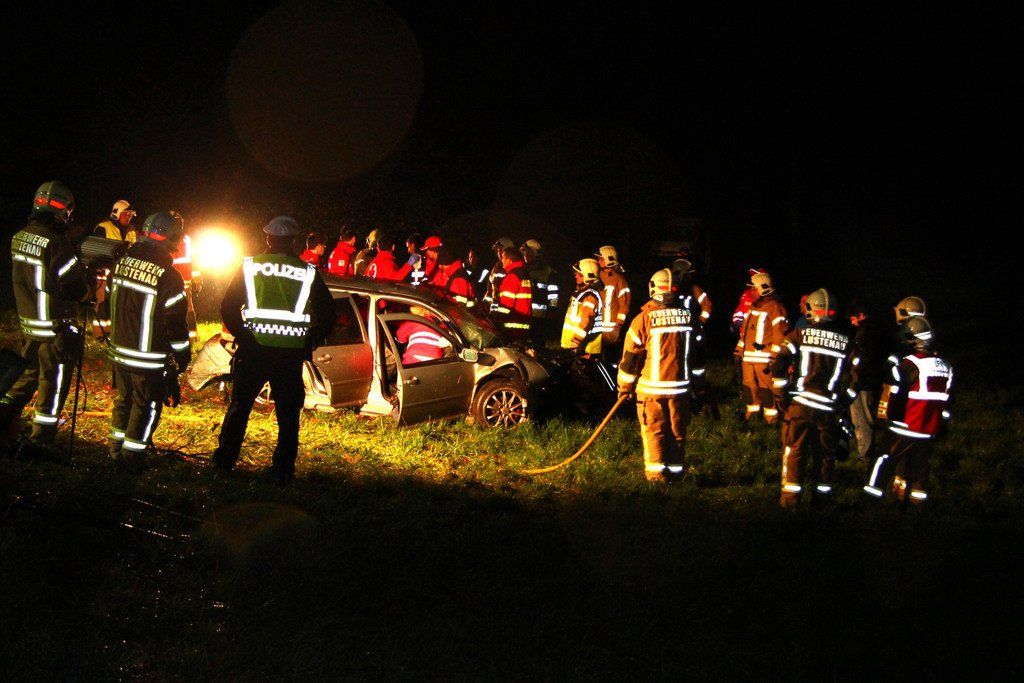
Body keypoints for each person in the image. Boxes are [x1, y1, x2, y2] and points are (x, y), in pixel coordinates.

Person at [212, 216, 335, 485]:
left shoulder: (250, 266)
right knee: (288, 414)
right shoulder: (307, 272)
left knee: (240, 407)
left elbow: (228, 306)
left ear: (268, 238)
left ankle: (224, 462)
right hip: (289, 355)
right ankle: (283, 470)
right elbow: (328, 312)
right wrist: (310, 340)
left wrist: (243, 335)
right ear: (293, 240)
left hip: (254, 350)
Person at [1, 181, 88, 449]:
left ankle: (3, 420)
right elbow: (75, 288)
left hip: (30, 326)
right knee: (53, 385)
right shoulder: (57, 243)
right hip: (55, 329)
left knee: (26, 376)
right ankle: (40, 442)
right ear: (64, 211)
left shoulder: (19, 236)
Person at [103, 212, 192, 469]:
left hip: (119, 351)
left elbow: (108, 297)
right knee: (146, 407)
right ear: (172, 239)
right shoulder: (169, 276)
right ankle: (132, 460)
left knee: (124, 401)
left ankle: (115, 452)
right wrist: (182, 357)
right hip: (148, 359)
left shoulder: (121, 263)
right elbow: (176, 325)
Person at [617, 268, 706, 482]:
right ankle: (676, 475)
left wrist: (624, 388)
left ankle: (656, 478)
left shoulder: (643, 319)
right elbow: (699, 358)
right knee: (677, 433)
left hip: (651, 392)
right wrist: (698, 388)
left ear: (652, 288)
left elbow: (630, 359)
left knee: (653, 432)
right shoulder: (690, 319)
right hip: (681, 391)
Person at [770, 289, 855, 507]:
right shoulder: (846, 342)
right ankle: (822, 502)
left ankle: (790, 501)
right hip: (827, 410)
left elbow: (777, 365)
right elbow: (859, 375)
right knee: (825, 456)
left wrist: (781, 396)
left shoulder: (798, 335)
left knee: (794, 451)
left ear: (810, 310)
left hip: (800, 406)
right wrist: (844, 401)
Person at [864, 317, 953, 507]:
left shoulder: (909, 364)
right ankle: (916, 506)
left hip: (905, 425)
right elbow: (948, 401)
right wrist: (942, 424)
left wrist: (885, 418)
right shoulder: (946, 367)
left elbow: (891, 385)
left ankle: (870, 502)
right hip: (928, 429)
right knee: (920, 467)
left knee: (883, 460)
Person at [737, 271, 788, 424]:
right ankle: (752, 416)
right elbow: (745, 332)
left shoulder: (775, 308)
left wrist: (774, 357)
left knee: (766, 391)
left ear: (763, 289)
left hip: (764, 359)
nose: (750, 292)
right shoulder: (753, 308)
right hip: (748, 358)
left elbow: (780, 334)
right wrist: (739, 350)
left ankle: (771, 419)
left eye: (753, 289)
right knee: (748, 388)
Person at [847, 300, 889, 463]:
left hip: (864, 383)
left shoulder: (866, 332)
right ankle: (865, 451)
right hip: (869, 381)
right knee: (863, 418)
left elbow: (862, 358)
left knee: (863, 419)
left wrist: (855, 376)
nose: (852, 323)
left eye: (853, 319)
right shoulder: (877, 330)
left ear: (860, 315)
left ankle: (866, 455)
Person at [92, 200, 138, 337]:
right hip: (104, 275)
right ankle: (100, 334)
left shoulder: (131, 231)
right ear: (117, 213)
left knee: (121, 305)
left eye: (131, 215)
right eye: (127, 214)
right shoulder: (103, 227)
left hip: (122, 275)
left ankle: (117, 333)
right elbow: (95, 250)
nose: (129, 218)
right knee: (103, 304)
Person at [169, 211, 203, 343]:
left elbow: (195, 261)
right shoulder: (163, 241)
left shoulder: (188, 241)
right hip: (169, 284)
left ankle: (192, 337)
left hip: (185, 284)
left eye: (180, 222)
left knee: (188, 309)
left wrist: (198, 281)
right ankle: (172, 336)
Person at [560, 258, 603, 357]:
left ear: (588, 276)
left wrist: (576, 341)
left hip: (584, 349)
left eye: (579, 274)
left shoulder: (590, 296)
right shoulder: (582, 294)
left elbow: (586, 321)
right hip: (577, 347)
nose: (576, 276)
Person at [491, 246, 532, 339]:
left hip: (511, 326)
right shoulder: (524, 273)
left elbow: (506, 306)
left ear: (509, 260)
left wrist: (496, 320)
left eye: (503, 258)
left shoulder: (512, 277)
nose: (501, 261)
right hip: (524, 324)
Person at [521, 239, 559, 337]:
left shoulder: (547, 272)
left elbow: (553, 294)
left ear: (533, 252)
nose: (524, 254)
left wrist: (552, 312)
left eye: (526, 251)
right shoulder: (523, 270)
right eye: (523, 252)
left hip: (539, 318)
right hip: (523, 313)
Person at [596, 246, 631, 348]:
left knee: (608, 354)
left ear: (609, 260)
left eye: (601, 259)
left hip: (610, 329)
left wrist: (618, 325)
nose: (599, 261)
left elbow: (624, 305)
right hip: (596, 326)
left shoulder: (619, 279)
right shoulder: (597, 277)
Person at [425, 238, 476, 308]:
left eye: (439, 264)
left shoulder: (458, 280)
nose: (438, 266)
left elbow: (458, 309)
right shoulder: (449, 273)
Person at [671, 257, 712, 326]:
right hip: (673, 327)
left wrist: (700, 321)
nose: (690, 277)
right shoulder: (669, 288)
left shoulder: (695, 290)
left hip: (691, 327)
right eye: (688, 274)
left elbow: (706, 305)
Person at [483, 236, 514, 310]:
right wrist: (484, 305)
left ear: (508, 250)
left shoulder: (514, 268)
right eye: (496, 250)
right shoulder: (496, 268)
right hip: (495, 311)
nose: (498, 252)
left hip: (507, 312)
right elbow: (490, 290)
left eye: (499, 249)